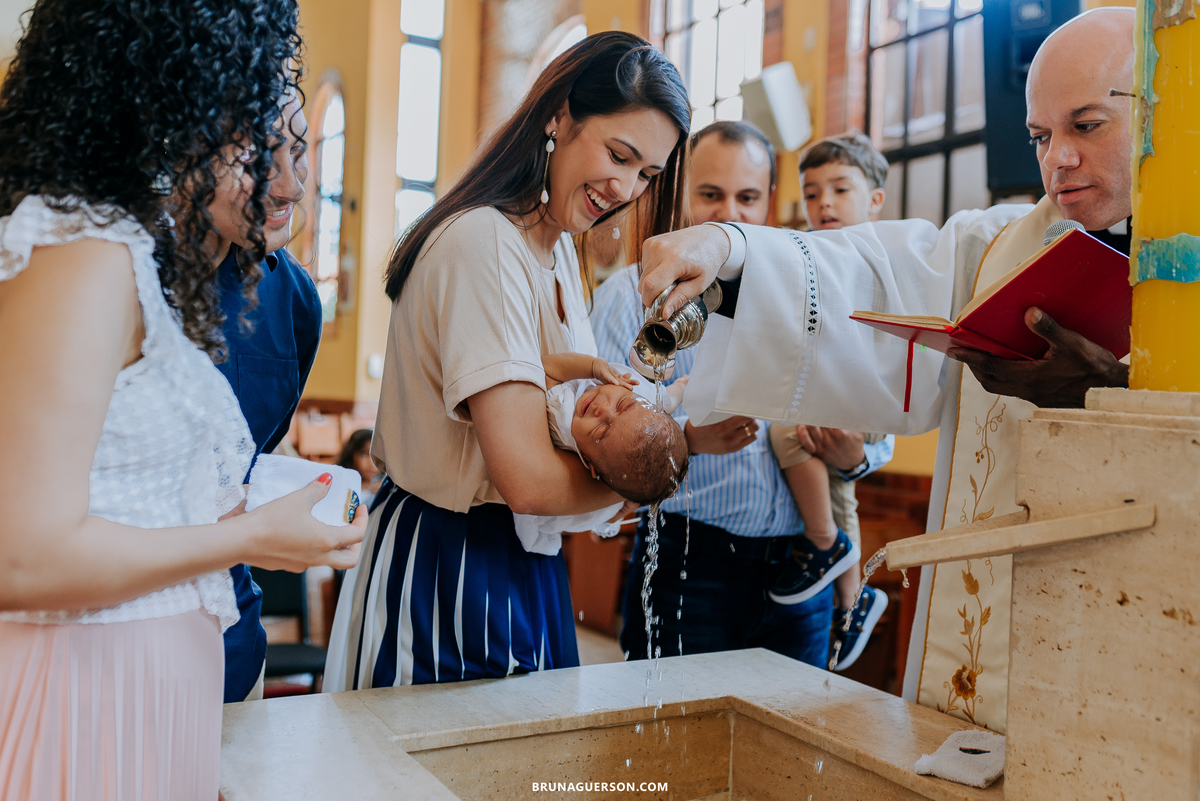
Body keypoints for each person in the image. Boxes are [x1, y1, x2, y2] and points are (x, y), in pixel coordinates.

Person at [635, 7, 1135, 732]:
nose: (1056, 158)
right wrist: (730, 249)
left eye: (1085, 125)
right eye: (1038, 135)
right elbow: (871, 274)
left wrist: (1114, 399)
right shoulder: (997, 251)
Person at [0, 1, 366, 797]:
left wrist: (256, 512)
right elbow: (19, 554)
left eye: (295, 147)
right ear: (173, 104)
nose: (284, 180)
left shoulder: (136, 250)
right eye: (252, 145)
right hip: (88, 697)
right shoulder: (83, 248)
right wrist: (250, 534)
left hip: (163, 688)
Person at [322, 32, 691, 692]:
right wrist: (652, 471)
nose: (626, 187)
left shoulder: (558, 251)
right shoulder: (484, 241)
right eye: (618, 154)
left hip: (525, 558)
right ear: (559, 116)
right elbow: (525, 477)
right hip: (450, 557)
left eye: (647, 174)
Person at [590, 120, 894, 669]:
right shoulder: (628, 297)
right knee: (673, 726)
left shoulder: (818, 290)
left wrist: (858, 456)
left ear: (769, 199)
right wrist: (685, 440)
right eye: (711, 194)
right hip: (690, 563)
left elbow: (879, 409)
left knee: (793, 724)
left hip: (802, 571)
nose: (729, 212)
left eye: (747, 197)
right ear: (683, 192)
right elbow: (596, 442)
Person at [766, 131, 893, 672]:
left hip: (868, 394)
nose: (825, 203)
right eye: (813, 193)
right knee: (837, 489)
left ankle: (824, 544)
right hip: (824, 388)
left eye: (841, 189)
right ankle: (853, 598)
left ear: (875, 199)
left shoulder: (883, 260)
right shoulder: (804, 253)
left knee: (788, 432)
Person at [214, 90, 324, 704]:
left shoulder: (295, 300)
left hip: (236, 639)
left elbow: (252, 459)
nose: (292, 186)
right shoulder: (112, 273)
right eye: (262, 155)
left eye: (299, 149)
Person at [337, 428, 382, 507]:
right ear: (351, 454)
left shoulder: (383, 489)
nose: (371, 463)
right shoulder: (341, 487)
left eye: (377, 456)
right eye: (364, 454)